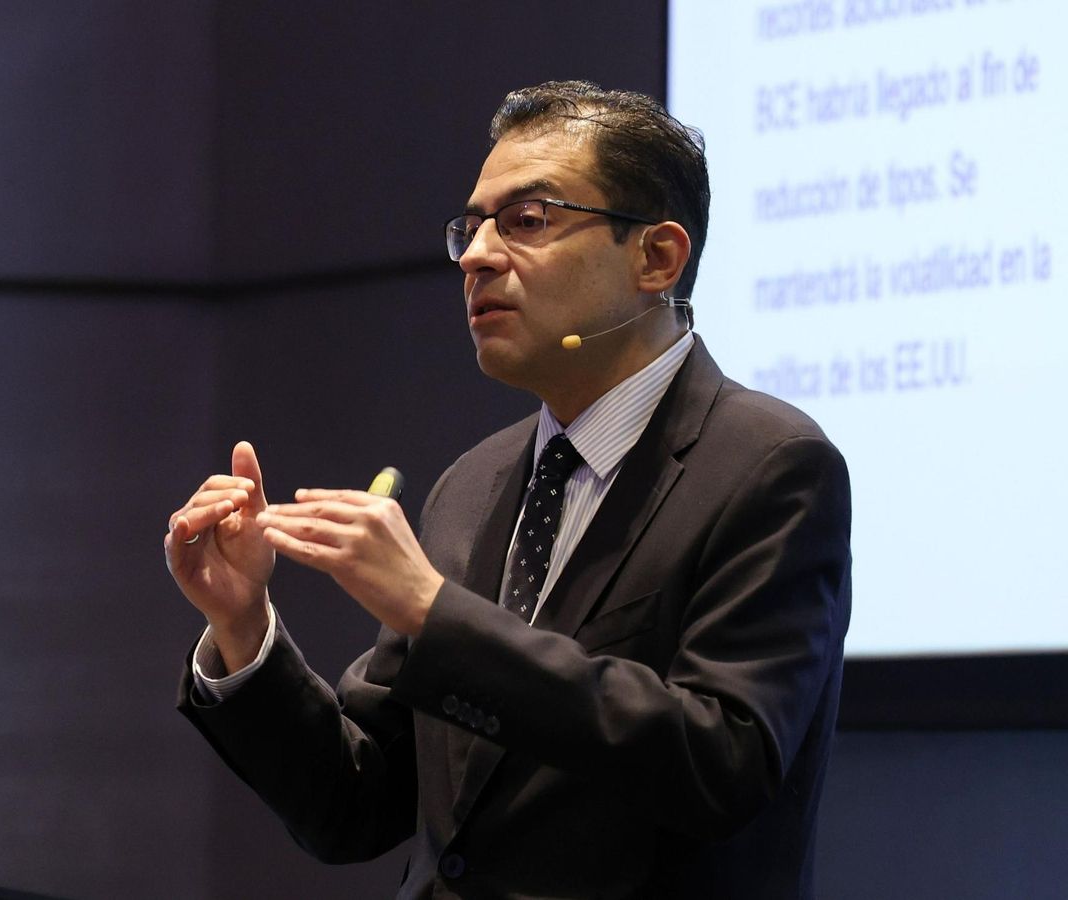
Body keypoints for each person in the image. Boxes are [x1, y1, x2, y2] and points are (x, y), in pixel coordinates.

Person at [163, 81, 851, 899]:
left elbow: (722, 762)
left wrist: (431, 610)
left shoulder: (770, 464)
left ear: (657, 257)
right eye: (472, 226)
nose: (476, 255)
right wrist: (244, 631)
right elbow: (357, 804)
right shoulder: (473, 485)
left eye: (527, 221)